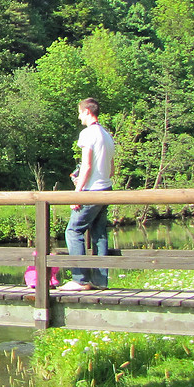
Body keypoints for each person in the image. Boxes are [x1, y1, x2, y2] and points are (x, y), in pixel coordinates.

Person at [62, 98, 115, 291]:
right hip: (106, 190)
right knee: (99, 234)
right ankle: (100, 282)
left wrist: (78, 192)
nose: (78, 116)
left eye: (79, 112)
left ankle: (80, 280)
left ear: (86, 112)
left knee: (73, 231)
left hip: (91, 192)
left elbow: (87, 166)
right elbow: (111, 171)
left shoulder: (87, 134)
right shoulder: (107, 135)